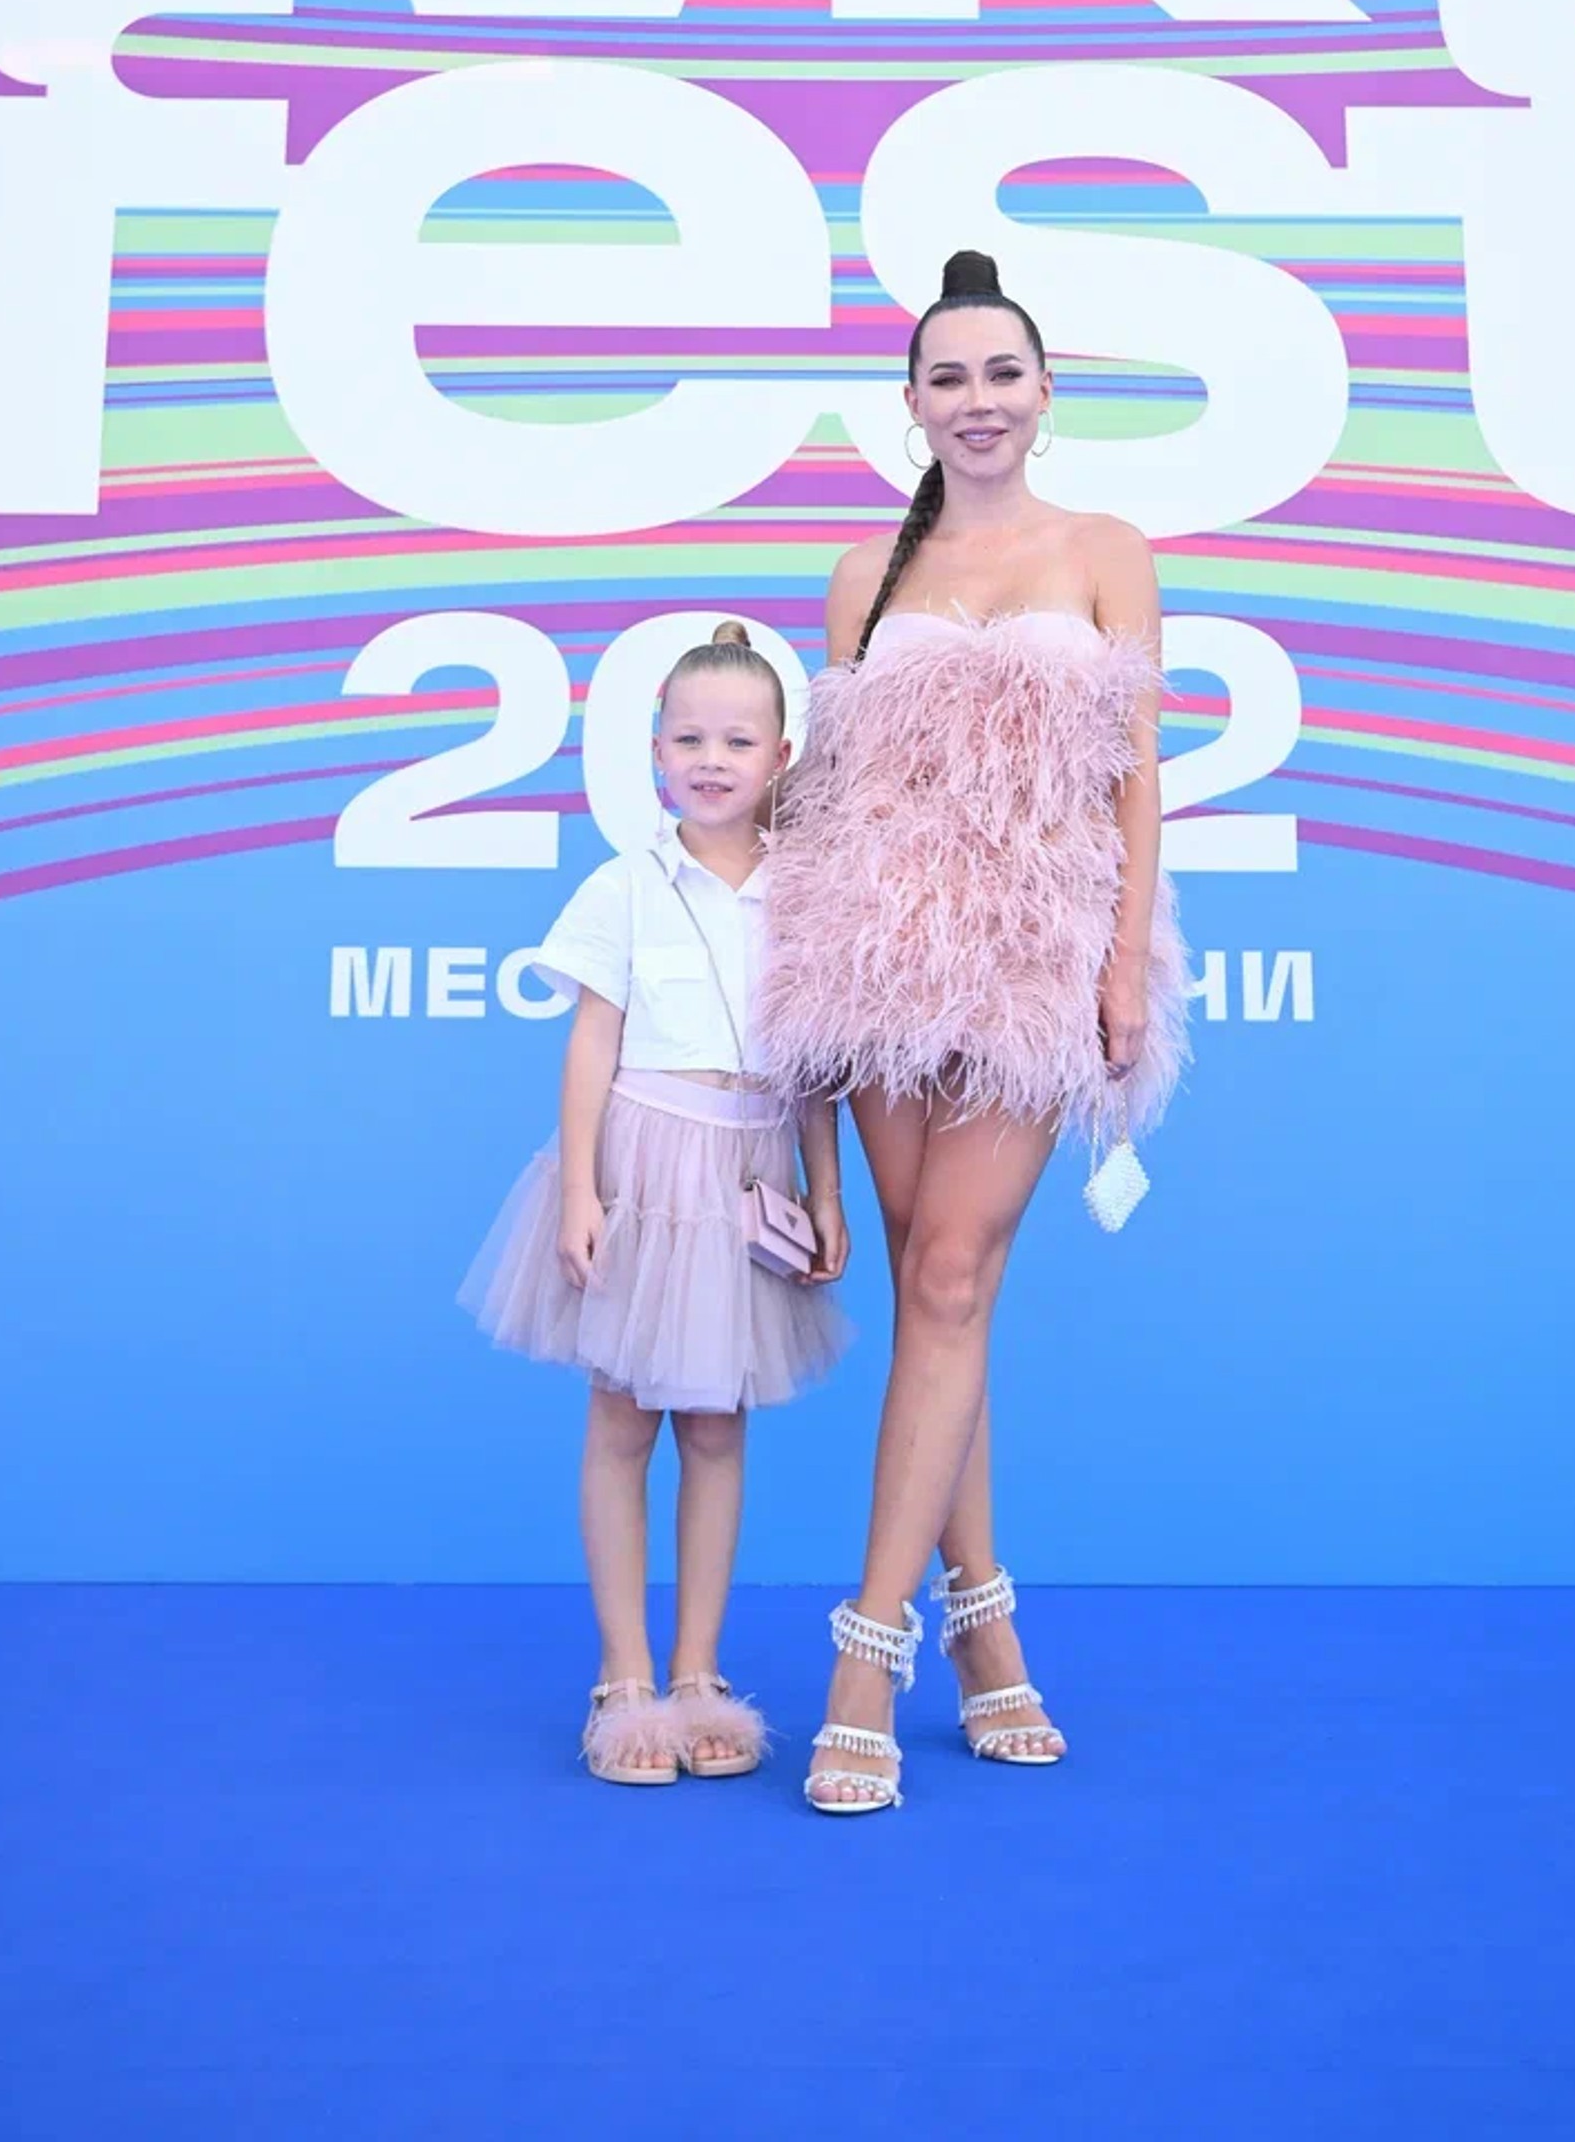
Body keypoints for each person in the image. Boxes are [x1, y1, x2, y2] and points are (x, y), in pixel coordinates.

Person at [758, 251, 1189, 1815]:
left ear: (1044, 389)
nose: (978, 398)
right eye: (949, 376)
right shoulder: (862, 573)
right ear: (913, 402)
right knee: (941, 1291)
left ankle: (865, 1657)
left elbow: (1137, 774)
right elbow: (832, 787)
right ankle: (987, 1632)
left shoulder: (1107, 548)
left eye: (1003, 371)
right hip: (877, 951)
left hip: (1037, 949)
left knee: (952, 1275)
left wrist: (1123, 962)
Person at [460, 620, 851, 1785]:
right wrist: (581, 1187)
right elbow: (592, 1041)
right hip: (641, 1168)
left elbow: (815, 1064)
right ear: (654, 751)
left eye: (737, 739)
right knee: (623, 1418)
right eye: (689, 738)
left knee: (718, 1426)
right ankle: (623, 1677)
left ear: (780, 755)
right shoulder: (624, 885)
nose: (711, 759)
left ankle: (697, 1673)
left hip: (748, 1174)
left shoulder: (809, 898)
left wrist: (825, 1189)